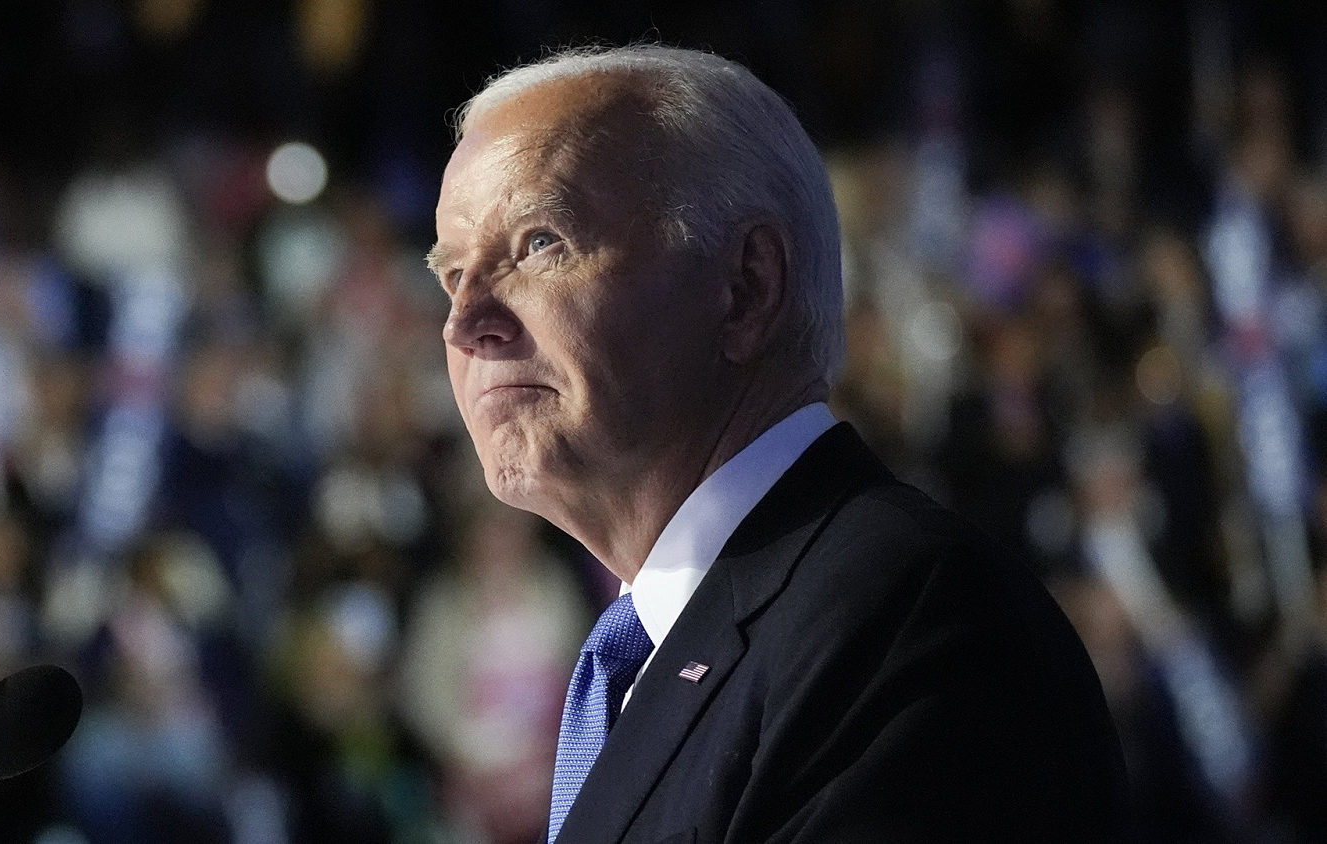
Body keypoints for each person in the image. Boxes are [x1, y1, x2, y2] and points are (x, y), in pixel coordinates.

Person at [426, 44, 1132, 842]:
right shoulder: (662, 647)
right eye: (452, 274)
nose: (464, 322)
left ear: (746, 287)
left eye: (539, 244)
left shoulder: (910, 623)